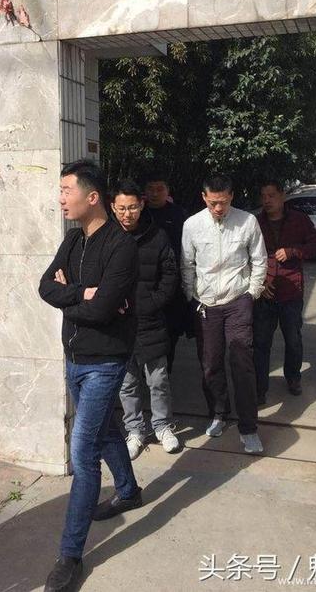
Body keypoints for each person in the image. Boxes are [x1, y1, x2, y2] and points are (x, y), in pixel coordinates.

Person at [38, 160, 141, 592]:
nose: (61, 199)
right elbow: (45, 287)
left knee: (82, 455)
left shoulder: (121, 247)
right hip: (74, 358)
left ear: (92, 196)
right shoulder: (72, 240)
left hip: (105, 361)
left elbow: (102, 312)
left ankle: (70, 555)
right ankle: (129, 490)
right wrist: (81, 292)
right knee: (104, 430)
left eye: (67, 190)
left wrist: (73, 297)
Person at [180, 174, 267, 454]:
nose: (218, 208)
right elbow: (187, 264)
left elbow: (259, 259)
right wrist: (190, 295)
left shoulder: (247, 221)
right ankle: (218, 412)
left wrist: (252, 293)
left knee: (242, 361)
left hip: (238, 299)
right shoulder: (192, 225)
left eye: (224, 202)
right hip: (205, 304)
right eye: (213, 203)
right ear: (204, 197)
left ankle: (249, 428)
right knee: (210, 363)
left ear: (231, 196)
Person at [111, 179, 180, 460]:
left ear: (141, 205)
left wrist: (153, 303)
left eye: (132, 207)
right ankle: (135, 430)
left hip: (151, 321)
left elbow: (170, 274)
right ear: (113, 208)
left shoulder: (157, 235)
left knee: (158, 379)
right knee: (127, 383)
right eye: (122, 208)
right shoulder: (106, 236)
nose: (127, 214)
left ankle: (162, 426)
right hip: (118, 323)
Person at [253, 180, 316, 405]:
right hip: (264, 292)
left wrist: (294, 251)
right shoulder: (255, 223)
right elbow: (244, 256)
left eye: (271, 195)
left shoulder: (299, 220)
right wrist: (259, 283)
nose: (267, 200)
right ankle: (259, 388)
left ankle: (293, 377)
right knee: (260, 343)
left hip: (291, 292)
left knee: (293, 340)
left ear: (282, 196)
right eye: (263, 196)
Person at [144, 173, 188, 373]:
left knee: (171, 332)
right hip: (145, 283)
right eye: (151, 189)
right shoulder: (139, 214)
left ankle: (165, 373)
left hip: (172, 284)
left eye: (159, 189)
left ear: (168, 191)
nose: (155, 193)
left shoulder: (179, 215)